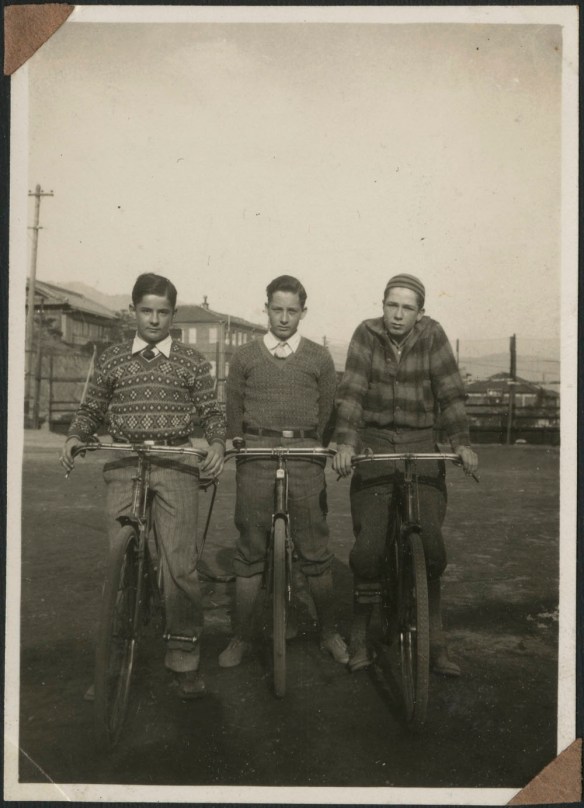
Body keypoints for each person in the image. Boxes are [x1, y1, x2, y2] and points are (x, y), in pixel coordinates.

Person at [60, 273, 226, 699]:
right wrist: (76, 435)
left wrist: (217, 443)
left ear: (173, 315)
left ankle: (184, 660)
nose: (154, 319)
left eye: (163, 312)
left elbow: (212, 413)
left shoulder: (191, 361)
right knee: (122, 563)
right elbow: (91, 408)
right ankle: (111, 661)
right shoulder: (113, 358)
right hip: (123, 462)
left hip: (175, 464)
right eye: (146, 311)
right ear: (134, 311)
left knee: (180, 566)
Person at [332, 273, 478, 675]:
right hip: (374, 445)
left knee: (430, 548)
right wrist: (345, 443)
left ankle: (436, 644)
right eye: (391, 305)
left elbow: (449, 393)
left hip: (421, 444)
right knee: (368, 550)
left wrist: (461, 443)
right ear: (382, 305)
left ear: (420, 312)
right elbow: (353, 392)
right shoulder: (366, 335)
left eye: (407, 308)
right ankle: (360, 635)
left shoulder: (433, 336)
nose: (398, 315)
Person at [219, 275, 349, 668]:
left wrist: (311, 444)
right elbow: (233, 411)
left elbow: (328, 410)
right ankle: (240, 637)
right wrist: (237, 442)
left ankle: (329, 634)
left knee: (314, 548)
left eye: (293, 311)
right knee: (250, 550)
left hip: (306, 454)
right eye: (277, 309)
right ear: (266, 309)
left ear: (303, 313)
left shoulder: (318, 358)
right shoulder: (244, 358)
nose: (284, 318)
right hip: (256, 454)